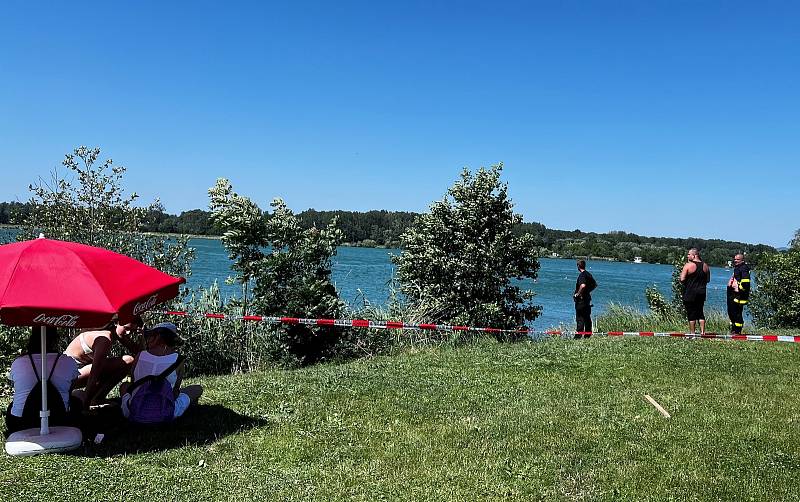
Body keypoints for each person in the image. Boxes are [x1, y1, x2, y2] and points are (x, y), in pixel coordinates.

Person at [5, 327, 82, 434]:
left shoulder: (18, 363)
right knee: (76, 401)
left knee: (12, 405)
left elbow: (16, 387)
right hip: (59, 421)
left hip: (20, 424)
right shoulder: (68, 362)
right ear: (55, 340)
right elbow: (71, 388)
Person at [120, 322, 202, 422]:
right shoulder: (178, 359)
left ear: (158, 337)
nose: (148, 338)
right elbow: (175, 392)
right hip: (165, 414)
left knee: (124, 386)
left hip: (134, 412)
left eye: (151, 335)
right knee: (197, 389)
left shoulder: (140, 355)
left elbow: (133, 383)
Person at [64, 316, 144, 408]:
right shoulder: (105, 338)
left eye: (132, 331)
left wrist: (142, 336)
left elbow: (139, 352)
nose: (129, 333)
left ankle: (96, 398)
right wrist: (86, 405)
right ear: (116, 323)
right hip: (68, 376)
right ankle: (94, 399)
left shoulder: (117, 333)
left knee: (127, 361)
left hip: (77, 373)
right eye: (126, 328)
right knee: (128, 360)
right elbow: (94, 374)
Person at [680, 248, 710, 335]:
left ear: (694, 255)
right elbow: (708, 280)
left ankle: (692, 333)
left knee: (691, 312)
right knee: (700, 312)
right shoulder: (706, 266)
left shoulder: (688, 265)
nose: (687, 256)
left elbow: (682, 279)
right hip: (701, 292)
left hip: (690, 292)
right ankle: (702, 332)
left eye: (689, 254)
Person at [727, 253, 751, 334]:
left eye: (737, 259)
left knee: (737, 313)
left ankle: (737, 331)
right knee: (732, 312)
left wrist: (739, 288)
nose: (735, 261)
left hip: (739, 295)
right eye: (735, 259)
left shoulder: (743, 268)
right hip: (733, 293)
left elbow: (746, 282)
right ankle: (734, 329)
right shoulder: (738, 267)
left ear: (742, 260)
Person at [573, 260, 595, 339]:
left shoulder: (582, 275)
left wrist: (578, 294)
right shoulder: (588, 274)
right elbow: (595, 285)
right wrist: (587, 292)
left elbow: (582, 285)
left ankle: (578, 336)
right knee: (587, 318)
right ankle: (588, 335)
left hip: (581, 300)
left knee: (580, 318)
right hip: (587, 300)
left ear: (578, 266)